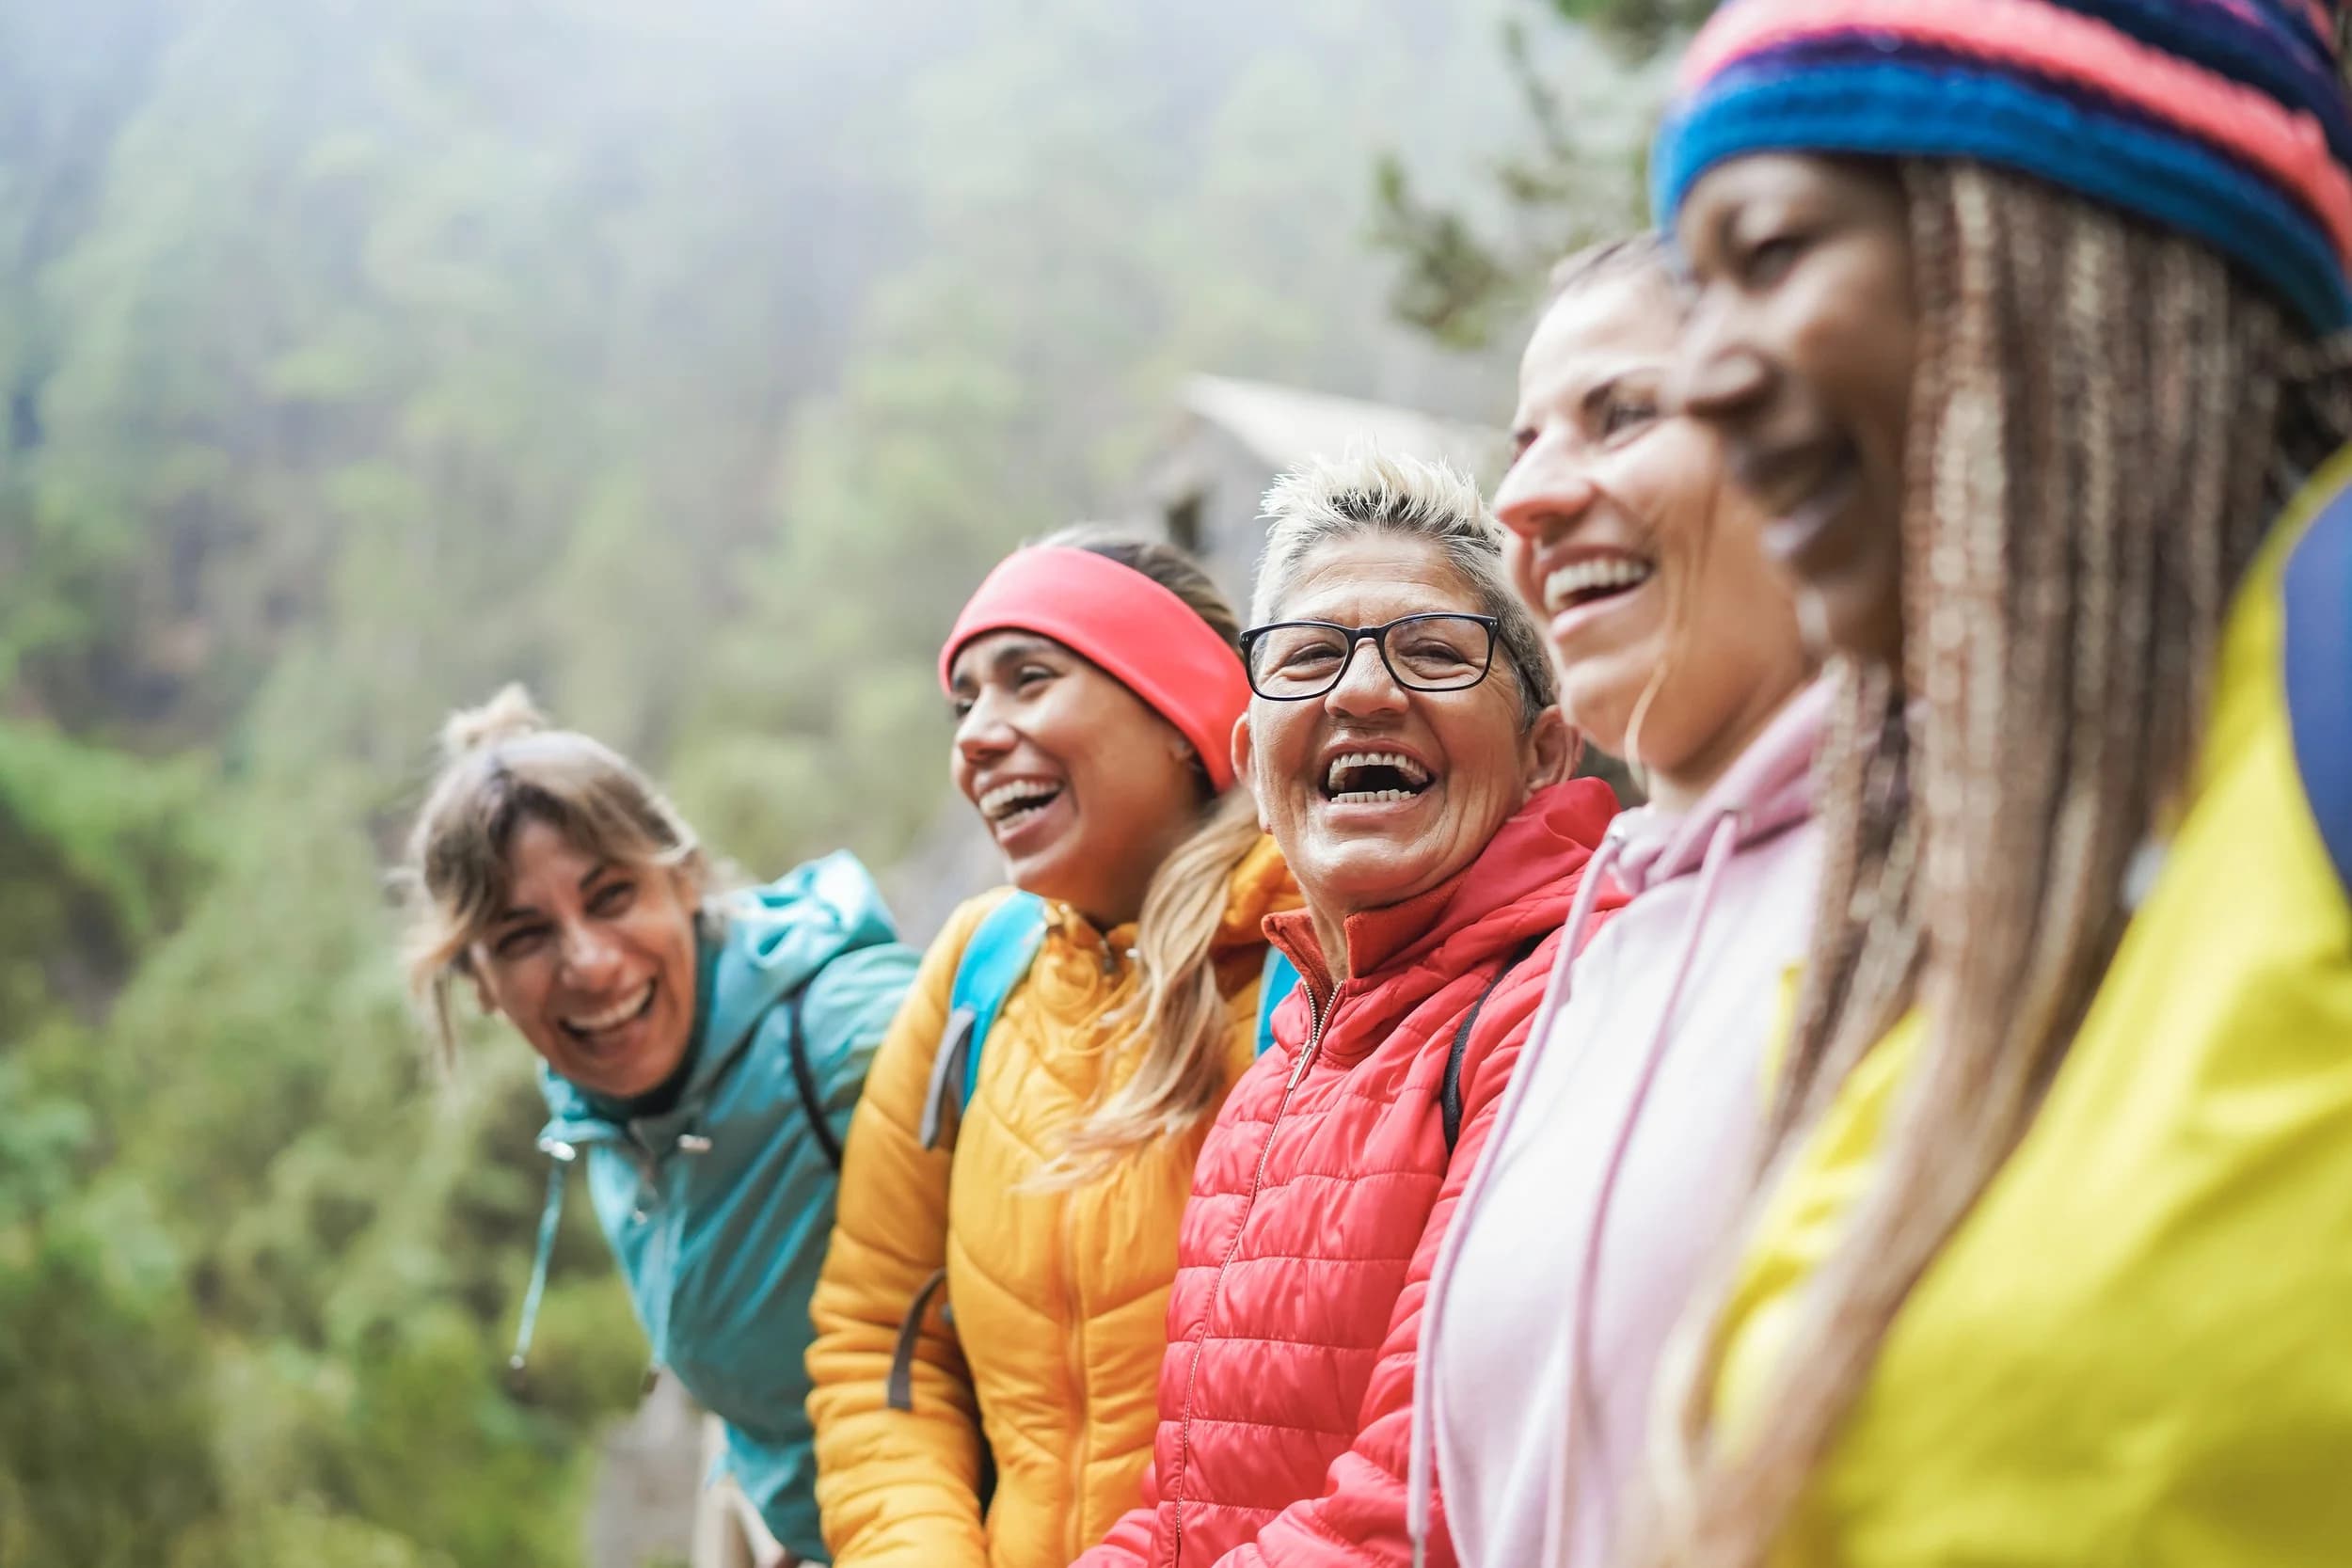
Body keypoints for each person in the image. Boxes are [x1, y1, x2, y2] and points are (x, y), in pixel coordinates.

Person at [1634, 4, 2352, 1564]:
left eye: (1768, 254)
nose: (1698, 377)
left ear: (2054, 246)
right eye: (1692, 291)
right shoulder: (1946, 910)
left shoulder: (2334, 664)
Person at [1075, 447, 1620, 1568]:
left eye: (1431, 650)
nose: (1361, 691)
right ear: (1252, 762)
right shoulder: (1278, 1074)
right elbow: (1180, 1509)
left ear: (1543, 753)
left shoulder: (1564, 1007)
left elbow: (1418, 1505)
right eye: (1309, 655)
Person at [1408, 234, 1818, 1568]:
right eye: (1523, 440)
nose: (1524, 495)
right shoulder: (1606, 949)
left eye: (1623, 413)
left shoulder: (1976, 879)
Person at [804, 530, 1297, 1568]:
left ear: (1183, 719)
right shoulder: (978, 973)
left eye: (1029, 679)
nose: (976, 737)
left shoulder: (1317, 963)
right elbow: (875, 1339)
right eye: (965, 702)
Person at [399, 686, 918, 1567]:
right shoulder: (608, 1113)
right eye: (523, 937)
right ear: (479, 979)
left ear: (682, 879)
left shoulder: (852, 1035)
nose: (590, 963)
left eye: (612, 896)